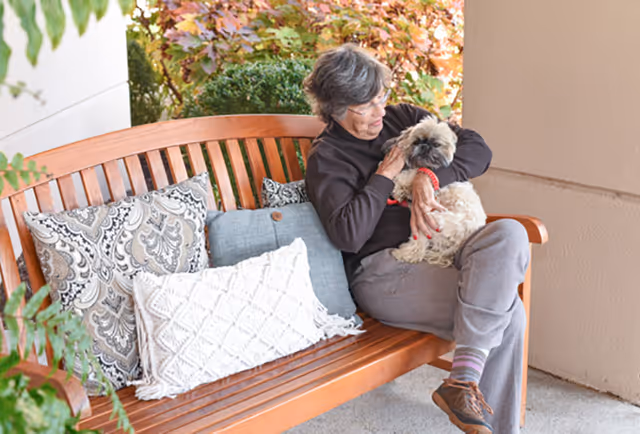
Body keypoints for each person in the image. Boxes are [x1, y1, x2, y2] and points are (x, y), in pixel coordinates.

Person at [303, 43, 530, 434]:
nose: (380, 112)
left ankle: (461, 383)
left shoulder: (402, 118)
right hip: (387, 270)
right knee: (508, 316)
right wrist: (385, 175)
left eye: (381, 98)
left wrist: (429, 176)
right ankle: (473, 396)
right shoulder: (328, 159)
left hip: (451, 248)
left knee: (510, 232)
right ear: (336, 108)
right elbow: (349, 235)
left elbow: (478, 148)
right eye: (366, 106)